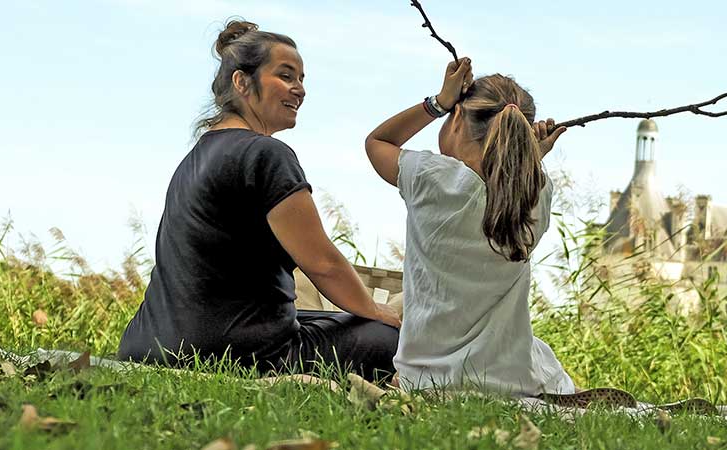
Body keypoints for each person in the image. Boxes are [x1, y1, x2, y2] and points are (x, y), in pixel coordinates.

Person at [118, 20, 401, 381]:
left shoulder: (196, 157)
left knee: (332, 318)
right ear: (241, 82)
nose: (299, 90)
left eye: (301, 79)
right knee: (386, 336)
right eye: (286, 76)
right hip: (232, 350)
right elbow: (322, 263)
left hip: (150, 343)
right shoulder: (266, 154)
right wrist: (375, 311)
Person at [363, 57, 577, 396]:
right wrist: (532, 161)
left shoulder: (433, 178)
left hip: (426, 379)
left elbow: (377, 143)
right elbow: (509, 187)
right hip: (511, 376)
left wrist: (438, 102)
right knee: (543, 358)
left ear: (458, 117)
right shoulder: (538, 192)